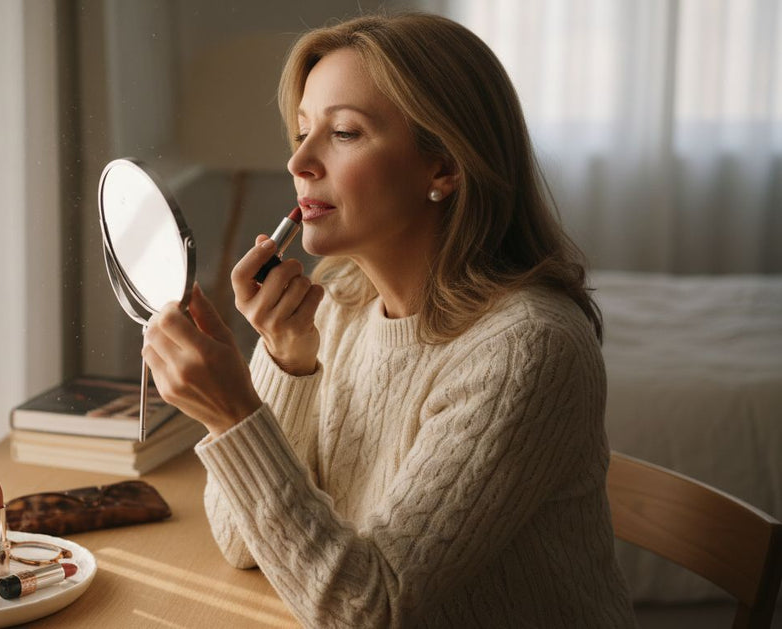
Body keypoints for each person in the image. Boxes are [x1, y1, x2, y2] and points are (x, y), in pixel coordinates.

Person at [141, 12, 635, 628]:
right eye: (301, 131)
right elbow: (241, 546)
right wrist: (284, 362)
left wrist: (233, 414)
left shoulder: (525, 350)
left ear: (444, 167)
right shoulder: (342, 302)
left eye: (344, 133)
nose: (300, 162)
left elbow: (371, 608)